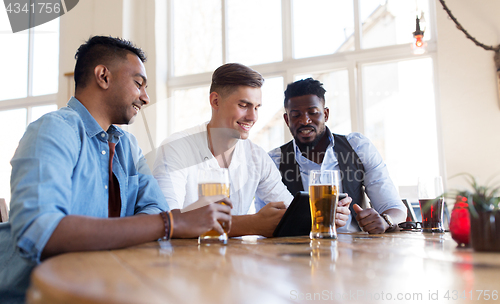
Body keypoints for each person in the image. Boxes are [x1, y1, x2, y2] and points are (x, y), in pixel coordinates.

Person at [0, 36, 231, 303]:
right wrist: (170, 223)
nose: (145, 97)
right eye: (138, 83)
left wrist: (159, 222)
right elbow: (42, 231)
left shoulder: (128, 145)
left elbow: (154, 208)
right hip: (35, 295)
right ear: (103, 76)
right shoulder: (53, 130)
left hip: (107, 286)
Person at [153, 64, 351, 237]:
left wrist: (322, 215)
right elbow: (165, 221)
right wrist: (251, 224)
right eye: (244, 105)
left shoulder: (257, 157)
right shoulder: (176, 147)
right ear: (215, 101)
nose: (252, 117)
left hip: (235, 268)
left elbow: (290, 212)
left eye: (256, 107)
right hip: (183, 268)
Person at [258, 78, 406, 234]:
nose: (305, 120)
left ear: (326, 114)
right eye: (295, 115)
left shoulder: (358, 147)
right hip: (300, 253)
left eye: (313, 112)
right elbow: (267, 224)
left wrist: (385, 220)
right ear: (287, 120)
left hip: (358, 251)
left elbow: (394, 208)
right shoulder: (273, 162)